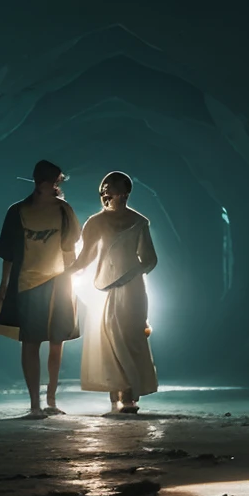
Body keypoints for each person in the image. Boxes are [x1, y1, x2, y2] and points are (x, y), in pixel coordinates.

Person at [0, 160, 81, 417]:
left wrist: (73, 279)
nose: (55, 186)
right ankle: (35, 404)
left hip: (59, 281)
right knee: (30, 342)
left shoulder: (64, 210)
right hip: (28, 282)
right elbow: (7, 252)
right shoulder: (18, 211)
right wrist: (4, 282)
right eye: (51, 182)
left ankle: (51, 401)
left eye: (58, 182)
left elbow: (71, 247)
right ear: (39, 182)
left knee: (57, 341)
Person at [69, 171, 160, 414]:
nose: (107, 192)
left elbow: (150, 259)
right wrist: (63, 273)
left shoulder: (140, 222)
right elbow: (85, 257)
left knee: (131, 337)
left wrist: (131, 273)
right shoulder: (96, 222)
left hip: (133, 289)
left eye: (112, 188)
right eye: (104, 188)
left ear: (125, 193)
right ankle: (117, 397)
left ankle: (130, 396)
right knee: (109, 339)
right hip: (104, 289)